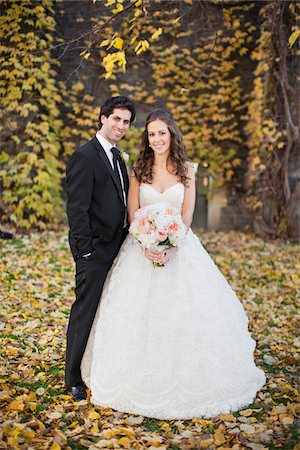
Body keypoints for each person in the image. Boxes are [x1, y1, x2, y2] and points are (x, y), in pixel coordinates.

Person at [81, 109, 265, 419]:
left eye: (161, 133)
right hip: (141, 250)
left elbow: (187, 216)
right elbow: (133, 213)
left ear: (171, 135)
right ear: (147, 138)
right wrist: (147, 243)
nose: (156, 139)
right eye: (151, 134)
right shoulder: (138, 169)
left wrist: (171, 245)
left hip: (180, 249)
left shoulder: (187, 170)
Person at [65, 95, 136, 401]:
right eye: (116, 119)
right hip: (94, 251)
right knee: (85, 311)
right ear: (103, 117)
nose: (121, 126)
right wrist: (85, 252)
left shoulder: (119, 158)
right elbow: (77, 209)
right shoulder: (85, 156)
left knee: (110, 312)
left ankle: (101, 369)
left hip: (119, 247)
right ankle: (72, 379)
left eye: (126, 122)